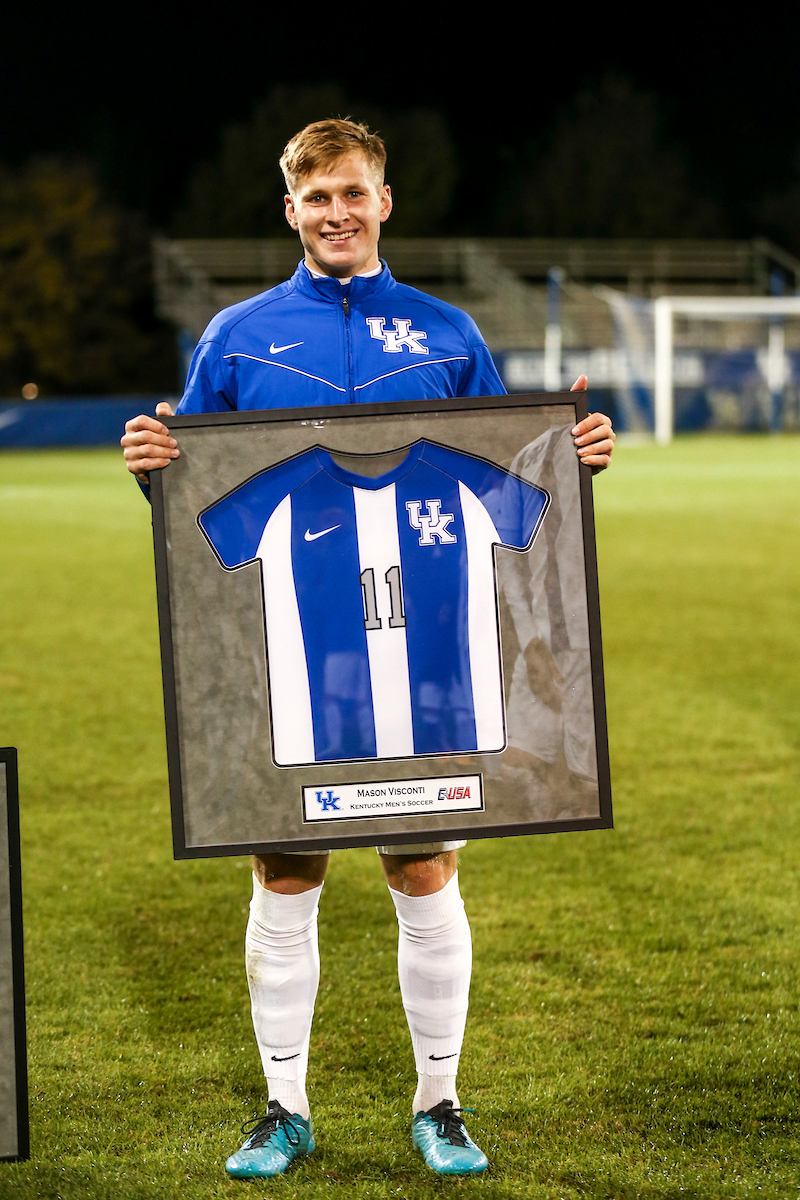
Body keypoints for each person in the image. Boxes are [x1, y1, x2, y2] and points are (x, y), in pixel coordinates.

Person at [122, 118, 615, 1179]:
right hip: (296, 658)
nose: (335, 214)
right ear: (288, 211)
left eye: (352, 194)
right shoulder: (236, 338)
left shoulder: (445, 334)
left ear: (382, 201)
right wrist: (152, 462)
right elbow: (196, 496)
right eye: (315, 199)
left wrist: (577, 457)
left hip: (428, 663)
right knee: (282, 864)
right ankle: (281, 1106)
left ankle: (438, 1101)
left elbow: (511, 472)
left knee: (422, 865)